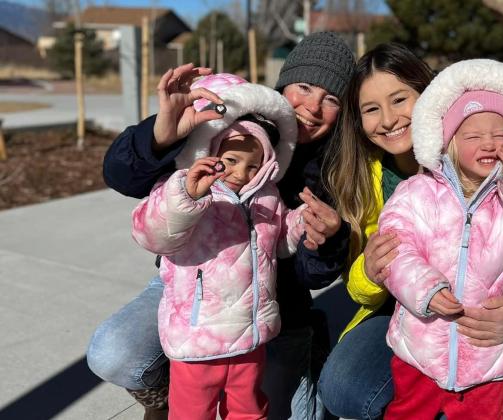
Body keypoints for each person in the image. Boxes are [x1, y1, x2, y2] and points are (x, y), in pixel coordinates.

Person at [86, 31, 356, 420]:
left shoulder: (332, 166)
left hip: (272, 306)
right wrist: (162, 137)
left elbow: (308, 271)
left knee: (282, 412)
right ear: (282, 85)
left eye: (331, 99)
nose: (313, 106)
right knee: (114, 352)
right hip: (191, 285)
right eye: (304, 86)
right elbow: (120, 176)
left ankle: (308, 349)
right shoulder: (225, 119)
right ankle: (169, 391)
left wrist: (325, 240)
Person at [319, 43, 503, 420]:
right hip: (402, 315)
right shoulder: (365, 177)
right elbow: (359, 286)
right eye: (371, 109)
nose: (388, 119)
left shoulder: (495, 170)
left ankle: (492, 392)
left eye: (400, 99)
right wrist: (368, 273)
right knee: (344, 389)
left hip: (478, 320)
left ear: (431, 96)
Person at [377, 59, 503, 419]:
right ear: (449, 143)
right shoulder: (416, 193)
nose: (489, 143)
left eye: (501, 134)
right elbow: (396, 249)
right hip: (422, 348)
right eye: (473, 136)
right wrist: (425, 290)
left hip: (487, 353)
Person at [132, 74, 310, 419]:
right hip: (198, 339)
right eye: (230, 161)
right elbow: (152, 234)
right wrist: (186, 196)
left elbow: (280, 243)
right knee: (191, 412)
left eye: (253, 165)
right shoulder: (187, 188)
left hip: (249, 337)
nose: (241, 173)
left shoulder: (268, 196)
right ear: (211, 151)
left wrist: (302, 222)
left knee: (248, 410)